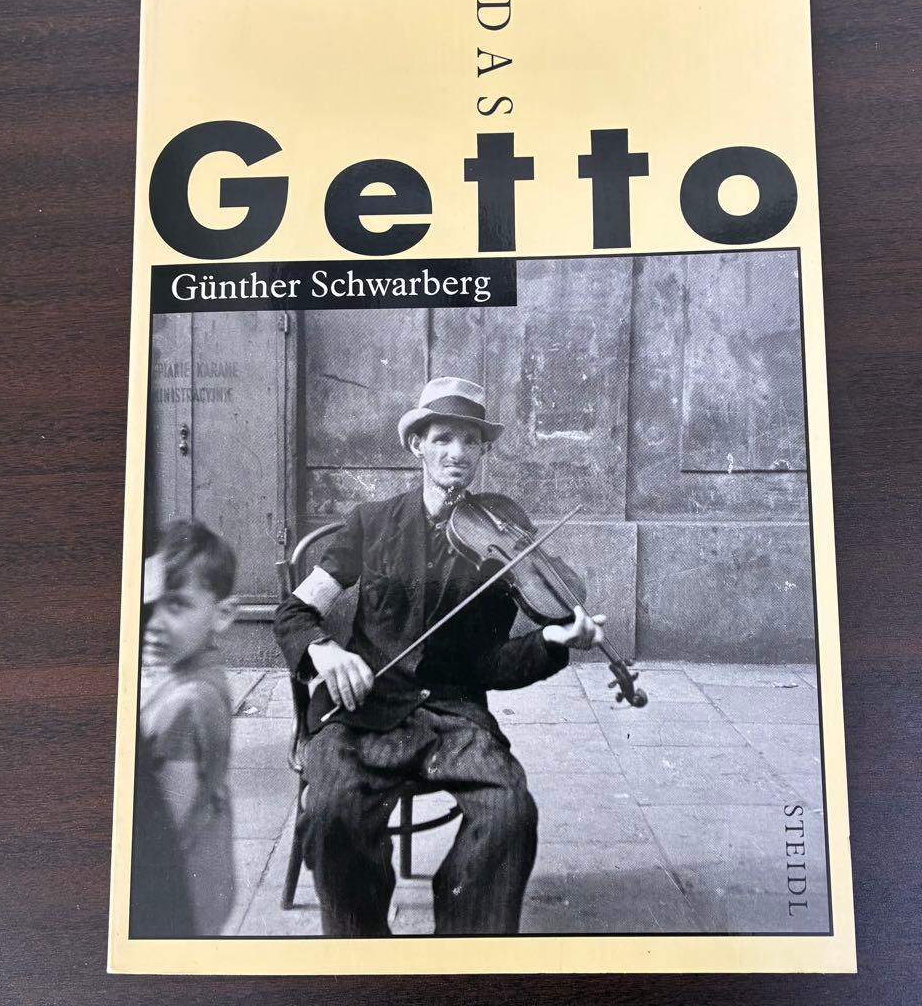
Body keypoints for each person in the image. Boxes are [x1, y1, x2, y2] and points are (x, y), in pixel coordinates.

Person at [274, 376, 604, 936]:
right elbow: (296, 612)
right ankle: (361, 957)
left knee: (510, 811)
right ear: (417, 446)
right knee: (330, 815)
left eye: (471, 441)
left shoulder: (500, 537)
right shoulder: (371, 523)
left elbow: (490, 665)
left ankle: (464, 954)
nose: (458, 453)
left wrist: (551, 642)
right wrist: (325, 652)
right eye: (443, 438)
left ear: (482, 451)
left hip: (454, 714)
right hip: (364, 710)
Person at [132, 519, 237, 936]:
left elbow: (166, 824)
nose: (153, 623)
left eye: (175, 605)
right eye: (146, 605)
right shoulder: (183, 672)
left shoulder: (188, 703)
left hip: (179, 893)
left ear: (222, 614)